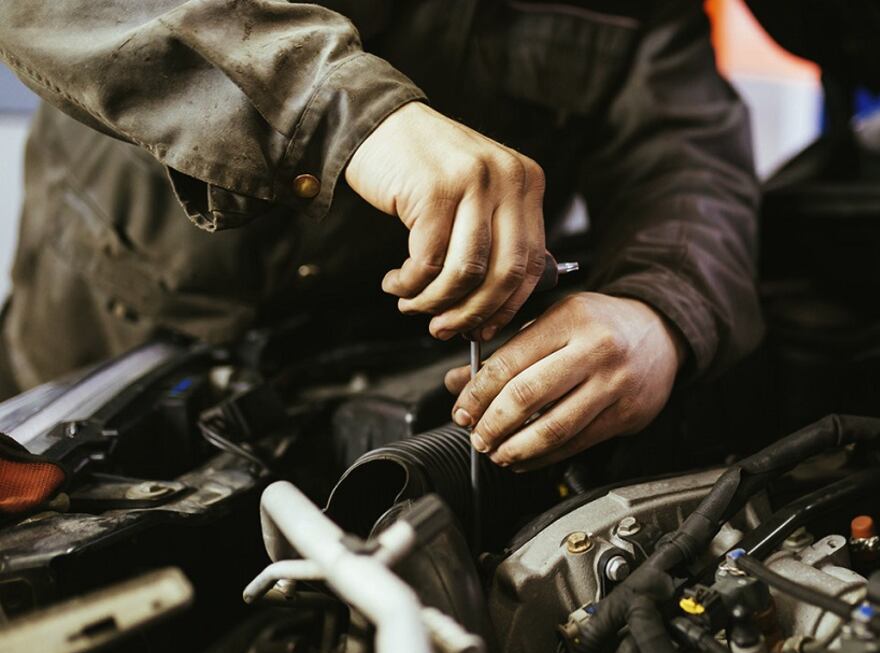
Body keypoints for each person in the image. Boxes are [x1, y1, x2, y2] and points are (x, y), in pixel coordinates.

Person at [0, 0, 763, 471]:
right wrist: (346, 115)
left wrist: (659, 310)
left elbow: (686, 155)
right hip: (98, 357)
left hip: (389, 386)